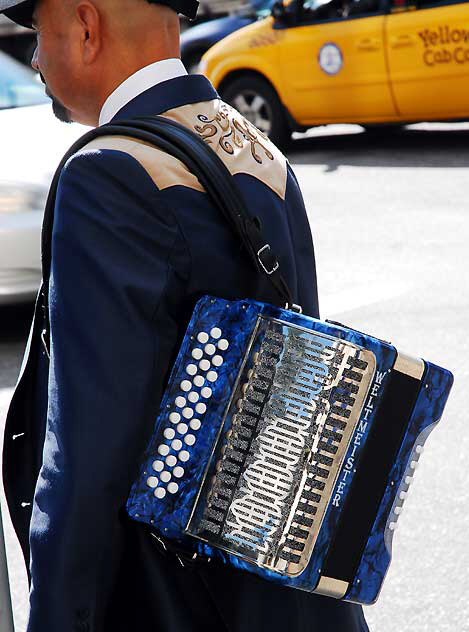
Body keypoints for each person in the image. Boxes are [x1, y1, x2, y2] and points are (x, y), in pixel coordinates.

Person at [0, 0, 370, 630]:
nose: (34, 57)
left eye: (39, 33)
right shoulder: (251, 145)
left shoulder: (107, 171)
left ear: (87, 28)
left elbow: (84, 453)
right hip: (279, 591)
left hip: (174, 601)